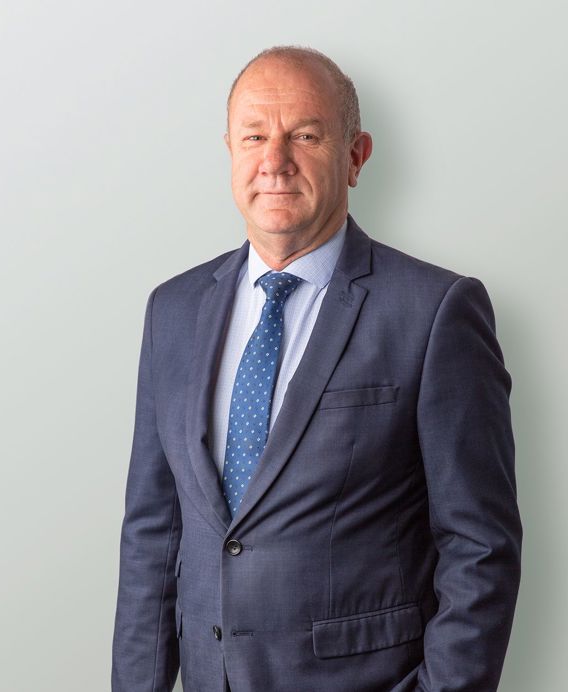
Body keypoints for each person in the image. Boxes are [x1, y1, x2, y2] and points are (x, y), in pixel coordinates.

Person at [111, 45, 522, 692]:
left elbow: (480, 546)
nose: (274, 161)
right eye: (254, 136)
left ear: (356, 156)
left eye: (305, 135)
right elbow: (152, 536)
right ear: (230, 150)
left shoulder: (434, 311)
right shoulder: (174, 310)